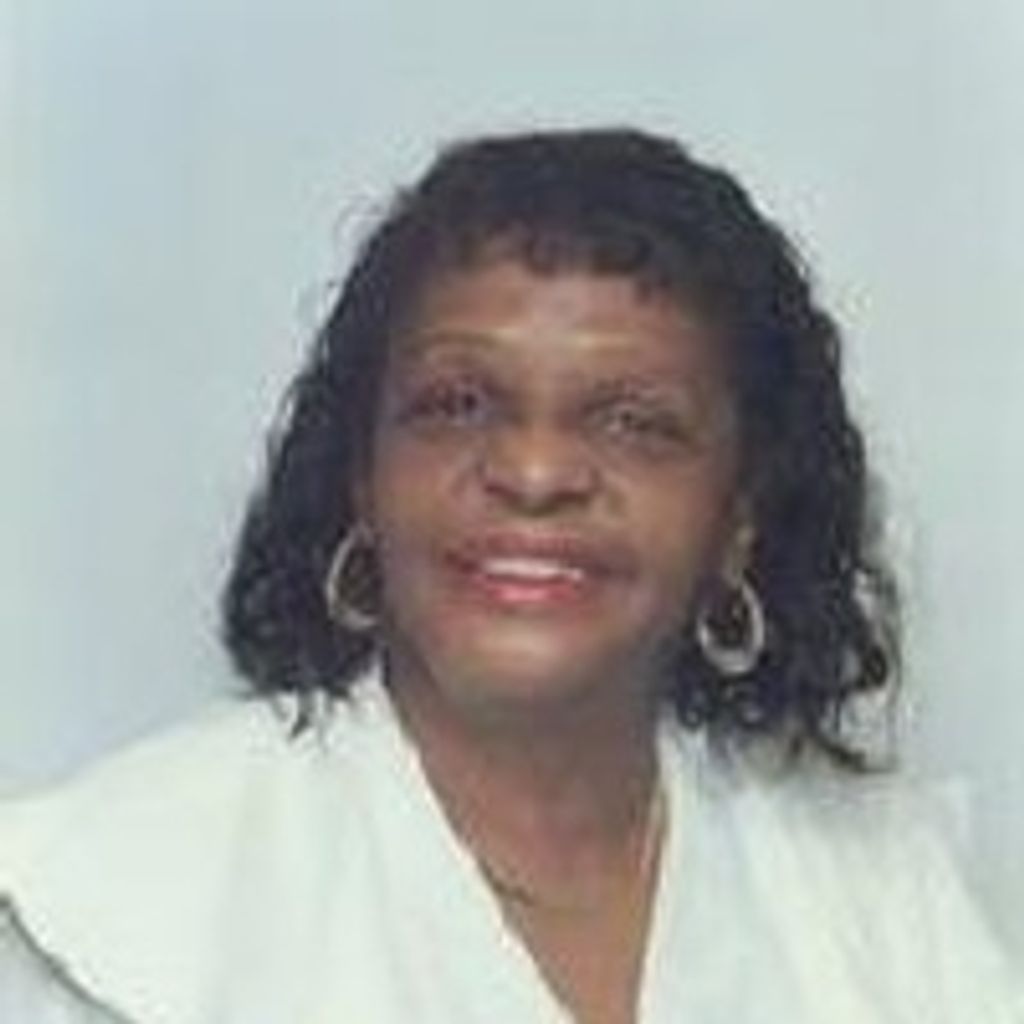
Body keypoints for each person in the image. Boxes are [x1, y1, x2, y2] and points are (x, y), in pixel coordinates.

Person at [1, 128, 1020, 1023]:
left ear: (739, 517)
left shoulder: (878, 886)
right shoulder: (115, 896)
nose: (534, 474)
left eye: (635, 422)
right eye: (457, 404)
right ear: (361, 476)